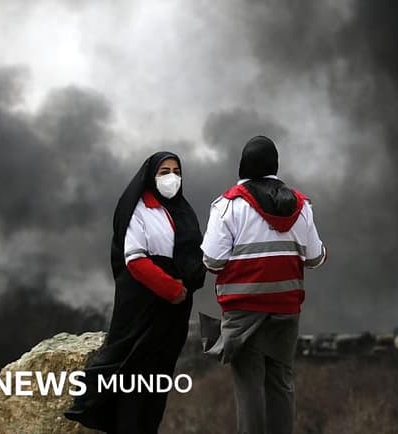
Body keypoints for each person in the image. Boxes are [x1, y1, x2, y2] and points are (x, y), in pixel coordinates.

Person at [64, 151, 206, 434]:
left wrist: (189, 282)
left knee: (157, 379)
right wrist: (172, 288)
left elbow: (194, 253)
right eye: (164, 171)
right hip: (142, 308)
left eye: (176, 171)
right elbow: (135, 259)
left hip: (174, 312)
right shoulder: (138, 209)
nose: (171, 178)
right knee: (130, 374)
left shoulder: (183, 211)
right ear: (151, 176)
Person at [200, 136, 327, 434]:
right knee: (281, 383)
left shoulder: (228, 206)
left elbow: (212, 261)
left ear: (243, 166)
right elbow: (315, 257)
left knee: (249, 388)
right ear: (275, 166)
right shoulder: (301, 205)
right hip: (285, 310)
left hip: (243, 312)